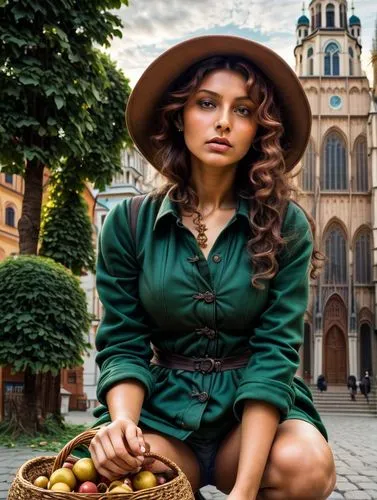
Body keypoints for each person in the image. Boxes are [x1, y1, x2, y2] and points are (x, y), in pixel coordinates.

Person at [89, 35, 336, 500]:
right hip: (161, 417)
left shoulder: (288, 226)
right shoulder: (129, 222)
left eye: (243, 110)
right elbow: (122, 340)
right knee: (112, 480)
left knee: (305, 467)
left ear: (260, 129)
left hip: (249, 423)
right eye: (206, 103)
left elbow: (275, 353)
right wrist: (122, 424)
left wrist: (243, 492)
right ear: (179, 114)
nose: (223, 122)